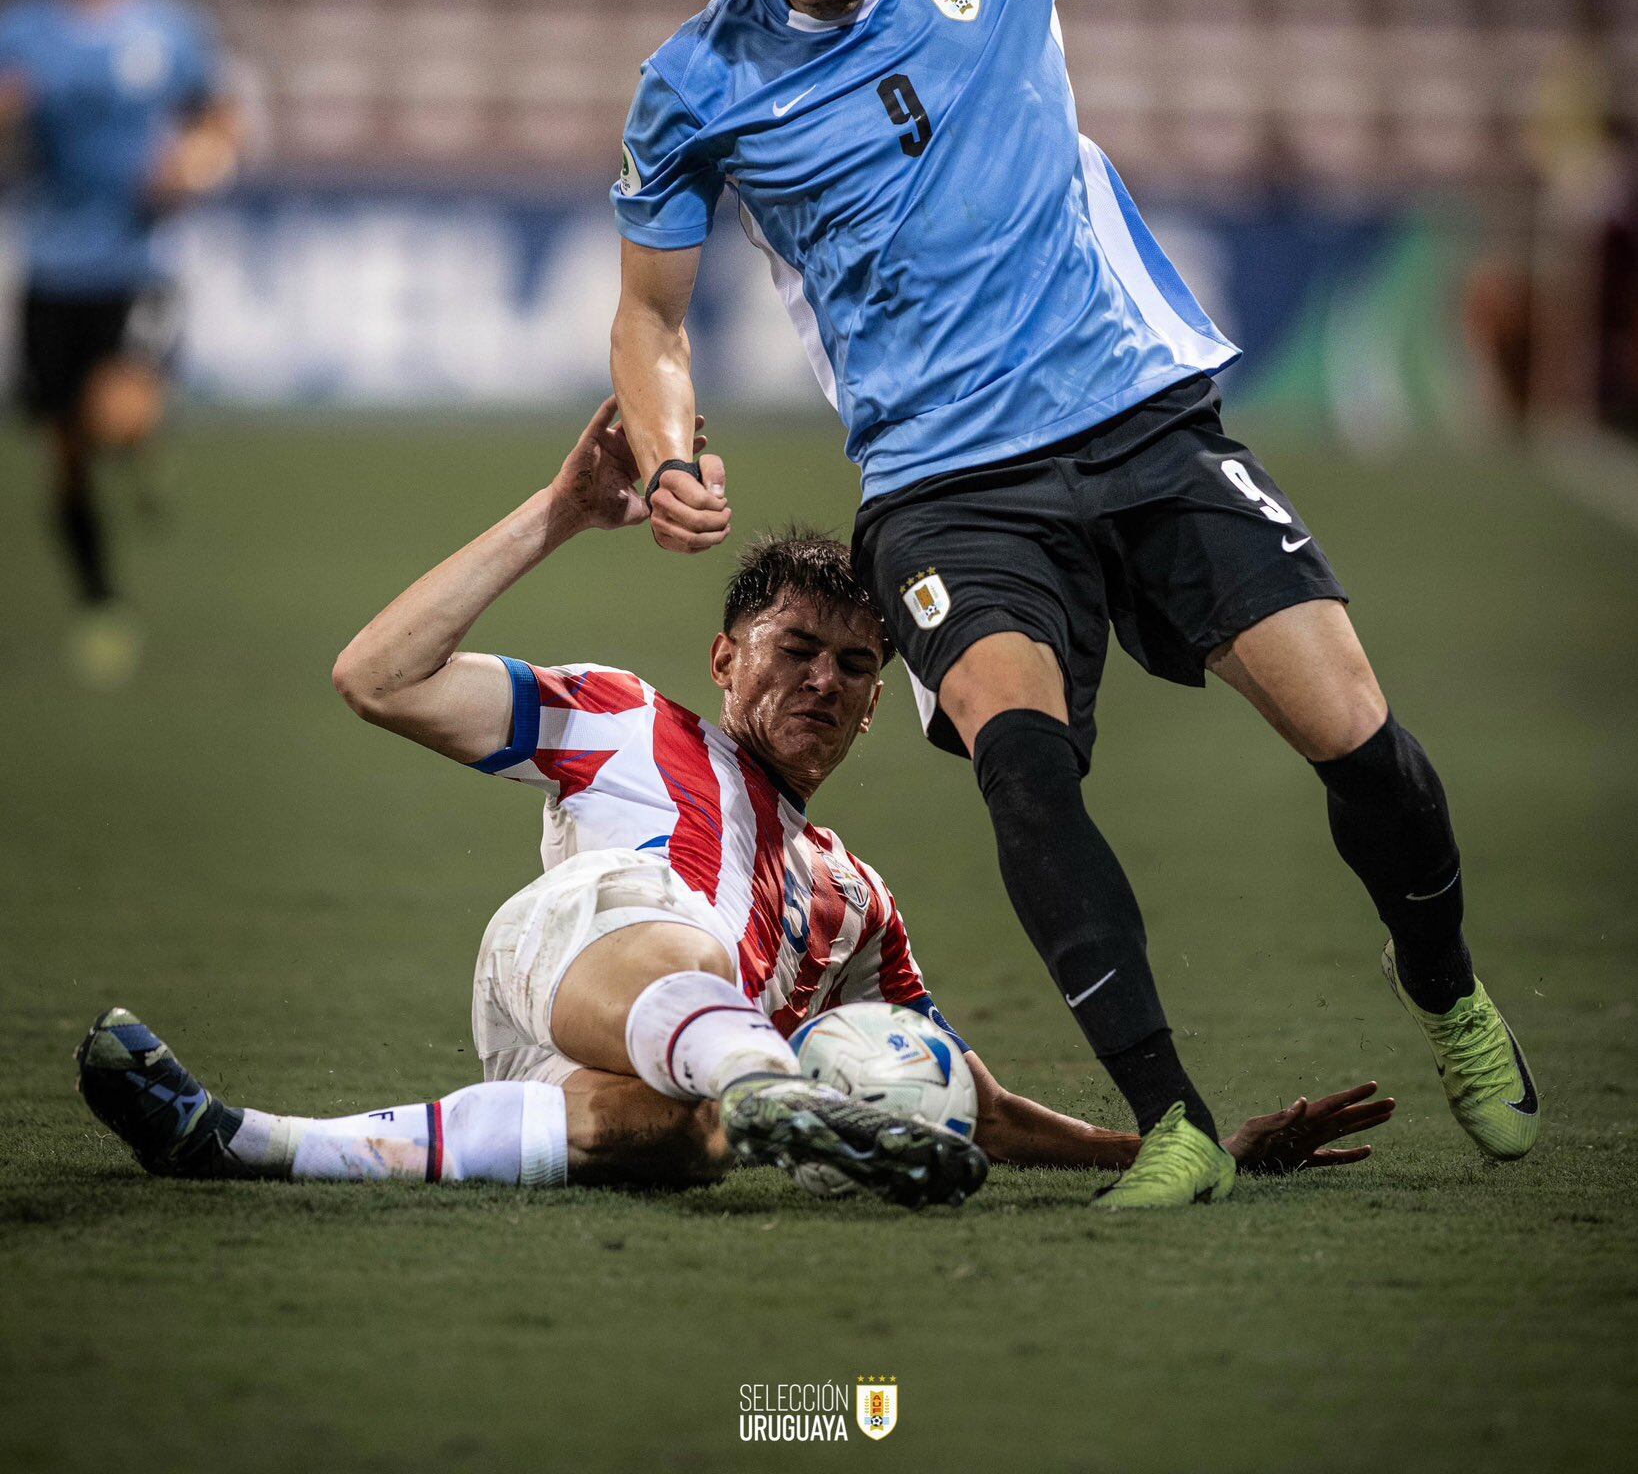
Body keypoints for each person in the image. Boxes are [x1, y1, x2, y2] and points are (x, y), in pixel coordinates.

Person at [607, 0, 1539, 1209]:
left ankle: (1445, 986)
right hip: (940, 483)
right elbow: (647, 315)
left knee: (1358, 742)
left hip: (1137, 420)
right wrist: (667, 443)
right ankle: (1174, 1119)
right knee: (1020, 767)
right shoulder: (696, 80)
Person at [76, 401, 1391, 1205]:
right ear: (725, 658)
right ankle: (765, 1082)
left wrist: (1176, 1141)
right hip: (574, 951)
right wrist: (550, 516)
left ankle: (236, 1143)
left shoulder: (854, 899)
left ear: (880, 699)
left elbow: (960, 1099)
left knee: (679, 1142)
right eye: (792, 650)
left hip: (623, 1073)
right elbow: (376, 676)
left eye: (854, 666)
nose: (822, 681)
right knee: (698, 974)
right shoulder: (620, 718)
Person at [0, 0, 241, 684]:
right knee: (63, 456)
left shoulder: (173, 29)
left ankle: (143, 445)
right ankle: (100, 598)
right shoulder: (22, 27)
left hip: (139, 264)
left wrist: (196, 164)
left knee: (119, 417)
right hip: (50, 267)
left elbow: (219, 119)